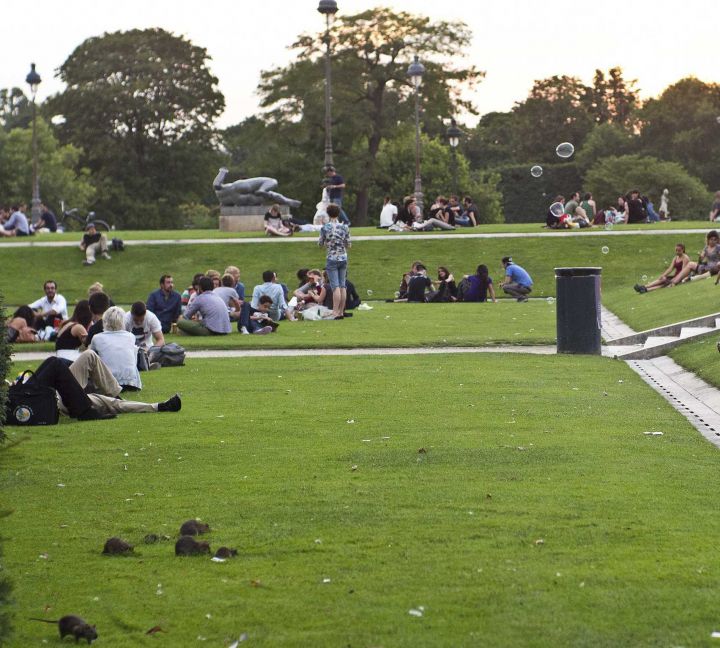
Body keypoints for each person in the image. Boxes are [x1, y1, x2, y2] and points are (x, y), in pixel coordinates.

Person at [17, 350, 181, 420]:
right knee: (55, 363)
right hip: (52, 400)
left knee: (88, 355)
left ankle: (117, 393)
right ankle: (158, 406)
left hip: (50, 394)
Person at [90, 306, 142, 390]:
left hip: (108, 383)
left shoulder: (97, 338)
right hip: (131, 383)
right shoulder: (130, 336)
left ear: (105, 321)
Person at [319, 203, 351, 318]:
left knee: (335, 286)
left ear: (328, 213)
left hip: (332, 258)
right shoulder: (345, 227)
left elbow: (320, 244)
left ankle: (335, 311)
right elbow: (349, 244)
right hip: (343, 257)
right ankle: (341, 311)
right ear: (338, 213)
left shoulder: (325, 228)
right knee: (343, 285)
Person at [212, 168, 301, 208]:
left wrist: (222, 172)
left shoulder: (222, 198)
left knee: (269, 194)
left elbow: (216, 185)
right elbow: (216, 185)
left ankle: (286, 200)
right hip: (245, 199)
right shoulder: (237, 185)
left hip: (239, 201)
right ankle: (286, 200)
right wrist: (222, 172)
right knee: (272, 182)